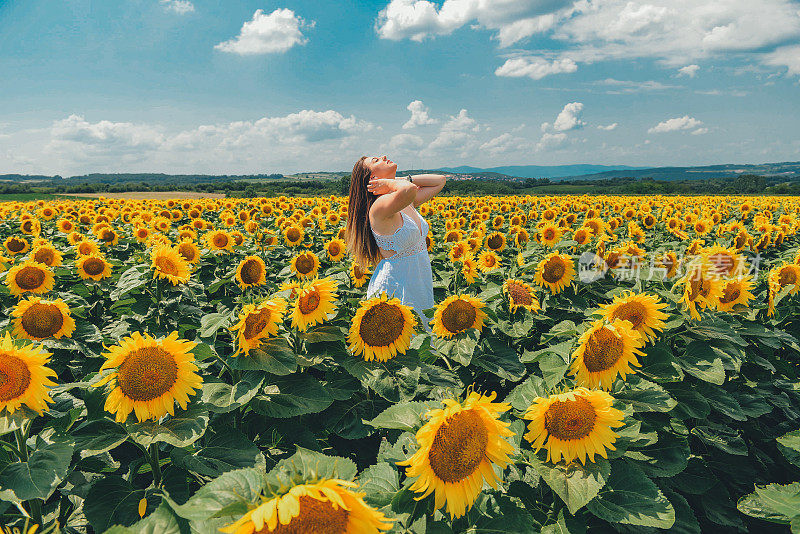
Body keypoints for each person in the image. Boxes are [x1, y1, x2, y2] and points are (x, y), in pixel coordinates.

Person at [345, 155, 447, 333]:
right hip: (396, 288)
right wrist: (392, 183)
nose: (384, 156)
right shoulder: (379, 207)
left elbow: (440, 181)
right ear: (372, 179)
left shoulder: (403, 202)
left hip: (417, 283)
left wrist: (395, 181)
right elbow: (408, 190)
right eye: (376, 161)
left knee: (419, 343)